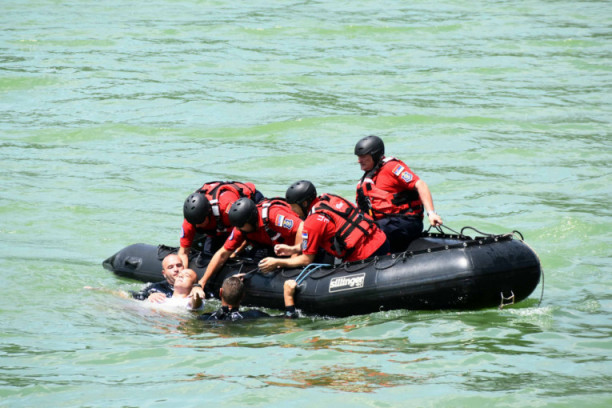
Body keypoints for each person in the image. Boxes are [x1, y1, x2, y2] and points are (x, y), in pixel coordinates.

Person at [258, 180, 390, 273]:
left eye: (294, 207)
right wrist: (293, 249)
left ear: (304, 204)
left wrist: (277, 262)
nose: (293, 211)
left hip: (365, 254)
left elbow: (306, 260)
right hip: (381, 240)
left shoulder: (312, 222)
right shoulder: (329, 198)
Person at [190, 197, 304, 299]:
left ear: (251, 220)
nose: (238, 230)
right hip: (270, 247)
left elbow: (301, 227)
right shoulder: (241, 228)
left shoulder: (274, 216)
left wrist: (291, 261)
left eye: (240, 226)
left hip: (294, 247)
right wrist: (201, 282)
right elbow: (223, 253)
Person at [354, 135, 443, 252]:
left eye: (363, 157)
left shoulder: (393, 168)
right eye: (358, 157)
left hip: (406, 221)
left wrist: (431, 213)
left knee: (373, 231)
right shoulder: (366, 180)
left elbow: (420, 185)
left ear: (375, 155)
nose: (359, 160)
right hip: (386, 223)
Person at [179, 181, 263, 268]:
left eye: (200, 222)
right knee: (208, 255)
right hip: (219, 224)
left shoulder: (227, 210)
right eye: (194, 223)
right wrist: (182, 273)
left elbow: (245, 231)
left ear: (209, 213)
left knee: (251, 252)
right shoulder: (191, 219)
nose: (197, 226)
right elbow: (183, 252)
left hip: (249, 207)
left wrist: (236, 252)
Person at [198, 276, 299, 321]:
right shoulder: (254, 315)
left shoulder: (206, 318)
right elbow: (290, 318)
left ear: (220, 292)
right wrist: (288, 295)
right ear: (243, 295)